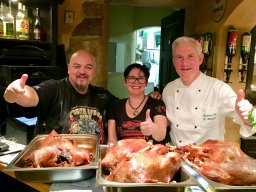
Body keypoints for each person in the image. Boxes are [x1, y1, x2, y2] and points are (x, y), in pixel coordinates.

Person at [4, 50, 118, 144]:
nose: (82, 71)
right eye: (77, 66)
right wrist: (15, 93)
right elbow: (32, 95)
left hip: (94, 163)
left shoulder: (102, 95)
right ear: (68, 68)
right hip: (57, 164)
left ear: (94, 70)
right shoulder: (54, 88)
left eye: (88, 67)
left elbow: (124, 108)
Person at [162, 36, 255, 146]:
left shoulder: (218, 89)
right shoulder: (169, 89)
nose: (185, 63)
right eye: (179, 57)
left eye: (190, 56)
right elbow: (165, 119)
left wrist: (250, 116)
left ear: (200, 59)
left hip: (209, 158)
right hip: (177, 157)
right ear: (173, 61)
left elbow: (249, 119)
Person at [107, 63, 167, 144]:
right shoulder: (115, 106)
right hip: (124, 154)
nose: (136, 82)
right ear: (125, 82)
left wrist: (152, 127)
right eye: (131, 78)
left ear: (146, 82)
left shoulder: (157, 103)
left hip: (150, 155)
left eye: (141, 78)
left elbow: (161, 135)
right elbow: (112, 140)